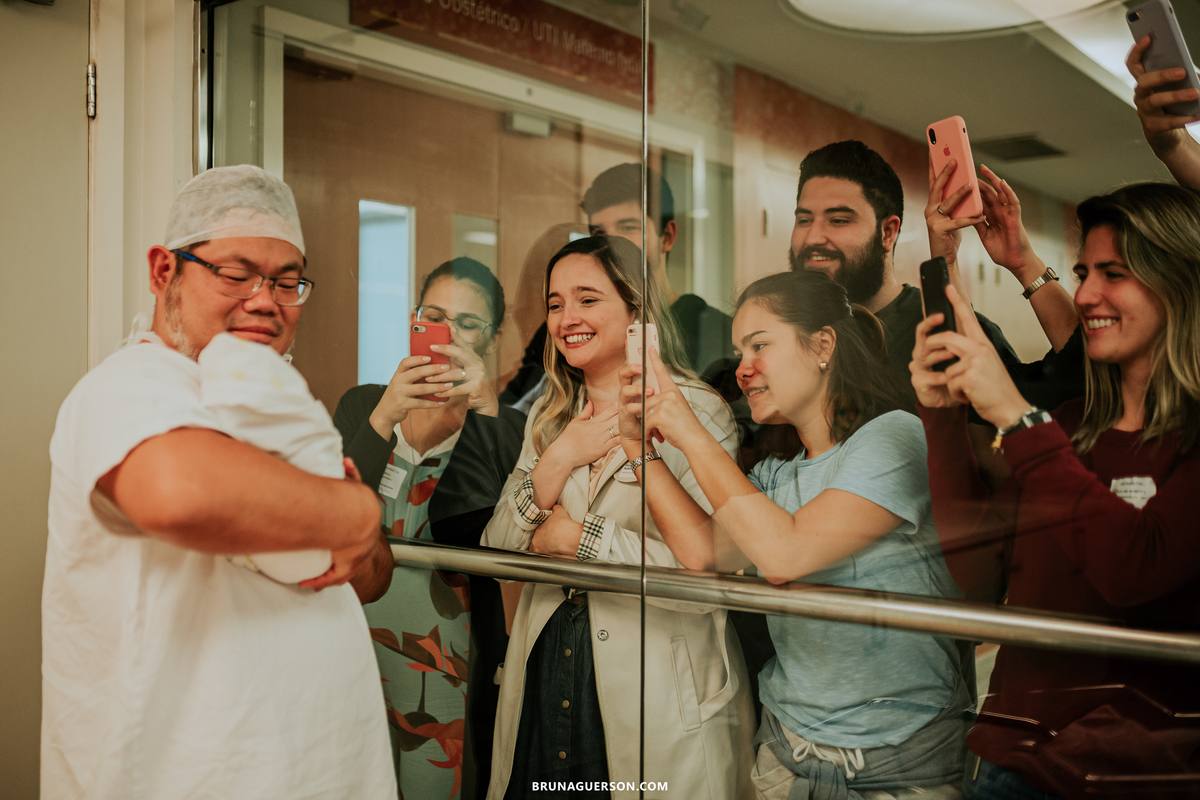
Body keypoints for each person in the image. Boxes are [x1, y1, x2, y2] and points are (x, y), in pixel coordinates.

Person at [42, 165, 395, 800]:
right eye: (236, 274)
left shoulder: (271, 402)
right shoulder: (131, 385)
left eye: (288, 282)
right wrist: (357, 511)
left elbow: (367, 577)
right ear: (163, 272)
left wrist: (350, 527)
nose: (265, 300)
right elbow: (183, 494)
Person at [620, 269, 972, 799]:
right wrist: (638, 450)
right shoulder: (776, 473)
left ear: (822, 344)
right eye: (740, 352)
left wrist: (688, 429)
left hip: (898, 763)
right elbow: (702, 551)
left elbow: (787, 552)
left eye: (759, 345)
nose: (743, 369)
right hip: (787, 755)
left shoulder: (894, 436)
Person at [912, 183, 1200, 799]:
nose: (1088, 294)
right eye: (1083, 272)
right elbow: (981, 577)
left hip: (1139, 777)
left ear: (1181, 288)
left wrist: (1018, 419)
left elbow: (1135, 568)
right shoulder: (1069, 425)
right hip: (1009, 763)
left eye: (1114, 274)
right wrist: (941, 416)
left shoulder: (1184, 441)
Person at [482, 235, 755, 799]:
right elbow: (497, 550)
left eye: (587, 299)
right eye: (555, 303)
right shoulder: (548, 411)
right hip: (550, 662)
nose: (566, 318)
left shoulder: (696, 411)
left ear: (635, 312)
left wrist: (583, 541)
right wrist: (559, 458)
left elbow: (704, 578)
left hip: (651, 677)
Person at [332, 256, 516, 800]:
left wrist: (485, 411)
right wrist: (385, 417)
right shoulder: (364, 404)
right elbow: (331, 515)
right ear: (414, 320)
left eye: (468, 325)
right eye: (434, 317)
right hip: (349, 646)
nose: (448, 336)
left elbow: (496, 524)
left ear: (492, 338)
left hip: (445, 667)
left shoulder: (504, 429)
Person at [790, 140, 1083, 413]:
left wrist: (1025, 264)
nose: (813, 237)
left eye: (838, 220)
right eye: (803, 220)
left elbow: (1079, 377)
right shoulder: (783, 334)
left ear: (887, 232)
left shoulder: (946, 334)